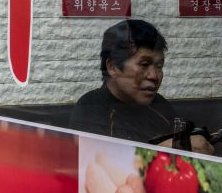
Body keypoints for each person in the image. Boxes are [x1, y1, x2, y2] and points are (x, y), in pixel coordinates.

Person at [69, 20, 213, 154]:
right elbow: (99, 165)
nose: (154, 76)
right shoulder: (90, 108)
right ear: (113, 67)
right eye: (144, 65)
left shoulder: (159, 105)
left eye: (159, 66)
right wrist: (168, 148)